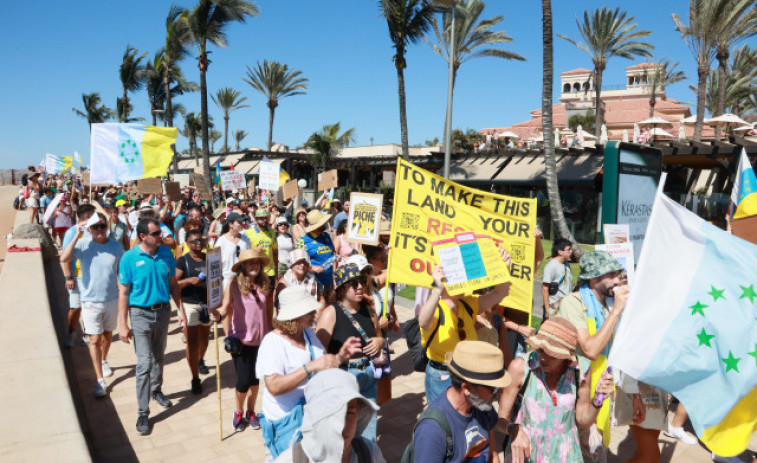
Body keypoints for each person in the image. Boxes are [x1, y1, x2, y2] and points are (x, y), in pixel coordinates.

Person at [252, 286, 361, 460]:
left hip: (312, 420)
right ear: (294, 315)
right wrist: (309, 367)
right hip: (287, 426)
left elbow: (321, 364)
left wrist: (340, 357)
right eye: (308, 310)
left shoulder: (309, 334)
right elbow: (273, 386)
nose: (315, 313)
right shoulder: (272, 342)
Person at [499, 317, 615, 463]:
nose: (543, 358)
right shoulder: (521, 367)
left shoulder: (580, 370)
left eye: (552, 355)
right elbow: (500, 419)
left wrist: (597, 400)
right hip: (527, 453)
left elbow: (583, 421)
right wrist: (513, 429)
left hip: (565, 455)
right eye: (541, 350)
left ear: (566, 356)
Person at [552, 250, 630, 462]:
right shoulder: (574, 303)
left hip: (598, 392)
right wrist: (616, 312)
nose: (618, 280)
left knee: (595, 454)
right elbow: (591, 350)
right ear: (595, 278)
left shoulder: (607, 304)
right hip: (574, 394)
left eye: (619, 274)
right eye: (612, 275)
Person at [118, 218, 187, 435]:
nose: (161, 236)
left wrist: (181, 310)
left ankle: (156, 390)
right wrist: (123, 324)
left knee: (159, 356)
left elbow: (173, 284)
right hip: (139, 313)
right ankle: (142, 411)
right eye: (156, 233)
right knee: (144, 363)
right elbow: (123, 292)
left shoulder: (166, 253)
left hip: (163, 311)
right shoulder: (129, 258)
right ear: (142, 236)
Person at [418, 248, 513, 405]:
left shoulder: (468, 304)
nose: (464, 283)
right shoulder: (436, 307)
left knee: (465, 419)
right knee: (446, 423)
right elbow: (423, 321)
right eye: (457, 278)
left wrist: (504, 267)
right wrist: (437, 290)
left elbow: (500, 293)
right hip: (442, 376)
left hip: (468, 374)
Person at [409, 340, 511, 463]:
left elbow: (492, 454)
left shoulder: (481, 406)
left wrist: (513, 429)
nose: (500, 392)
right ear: (467, 388)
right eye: (493, 388)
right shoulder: (432, 430)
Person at [316, 263, 384, 442]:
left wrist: (380, 341)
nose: (360, 287)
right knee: (342, 432)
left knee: (368, 431)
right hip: (343, 375)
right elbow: (318, 353)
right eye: (354, 284)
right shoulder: (331, 313)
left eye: (361, 282)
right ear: (341, 290)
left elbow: (379, 337)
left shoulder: (369, 311)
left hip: (368, 374)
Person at [60, 212, 124, 398]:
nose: (99, 230)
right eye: (95, 227)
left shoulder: (116, 246)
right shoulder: (82, 244)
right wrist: (76, 236)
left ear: (107, 227)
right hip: (89, 301)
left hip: (111, 299)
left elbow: (120, 271)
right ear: (89, 229)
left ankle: (104, 360)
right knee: (95, 340)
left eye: (102, 226)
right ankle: (100, 381)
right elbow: (64, 258)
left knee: (107, 334)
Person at [211, 249, 273, 431]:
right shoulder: (234, 284)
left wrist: (272, 330)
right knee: (244, 380)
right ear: (243, 266)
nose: (254, 265)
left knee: (256, 380)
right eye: (250, 262)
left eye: (257, 262)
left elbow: (268, 310)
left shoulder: (265, 283)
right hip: (241, 340)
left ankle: (251, 412)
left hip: (262, 339)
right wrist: (216, 314)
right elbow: (224, 307)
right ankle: (238, 411)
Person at [275, 368, 385, 463]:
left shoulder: (370, 454)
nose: (341, 424)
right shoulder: (289, 460)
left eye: (350, 412)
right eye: (332, 413)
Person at [175, 229, 211, 394]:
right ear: (188, 244)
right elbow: (174, 285)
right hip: (189, 305)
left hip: (206, 304)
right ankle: (195, 378)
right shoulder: (183, 261)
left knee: (204, 338)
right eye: (195, 241)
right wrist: (189, 280)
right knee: (192, 341)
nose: (199, 243)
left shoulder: (208, 258)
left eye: (201, 240)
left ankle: (201, 359)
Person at [61, 204, 97, 348]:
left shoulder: (94, 230)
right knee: (75, 307)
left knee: (90, 307)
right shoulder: (71, 233)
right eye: (93, 214)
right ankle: (71, 333)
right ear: (87, 216)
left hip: (92, 277)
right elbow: (66, 256)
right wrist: (69, 277)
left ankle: (87, 334)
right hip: (77, 277)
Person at [295, 210, 337, 303]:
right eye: (323, 223)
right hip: (314, 282)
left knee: (330, 308)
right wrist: (311, 267)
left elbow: (333, 255)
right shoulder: (303, 241)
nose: (325, 224)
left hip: (329, 282)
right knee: (319, 310)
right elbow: (295, 262)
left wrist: (333, 261)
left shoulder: (326, 236)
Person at [214, 212, 252, 292]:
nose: (241, 224)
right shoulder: (221, 241)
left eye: (242, 222)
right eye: (239, 222)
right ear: (231, 224)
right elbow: (215, 263)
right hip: (227, 280)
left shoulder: (245, 239)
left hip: (244, 279)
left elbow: (249, 257)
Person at [245, 209, 279, 289]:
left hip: (270, 271)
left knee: (270, 297)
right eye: (261, 218)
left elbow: (275, 252)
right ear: (256, 219)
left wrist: (276, 272)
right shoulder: (248, 233)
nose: (264, 220)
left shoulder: (272, 232)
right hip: (255, 271)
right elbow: (244, 254)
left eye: (265, 218)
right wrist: (254, 251)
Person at [542, 238, 573, 319]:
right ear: (560, 252)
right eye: (568, 249)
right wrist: (547, 310)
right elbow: (545, 288)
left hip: (565, 306)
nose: (571, 251)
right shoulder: (551, 266)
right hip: (554, 306)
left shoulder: (566, 264)